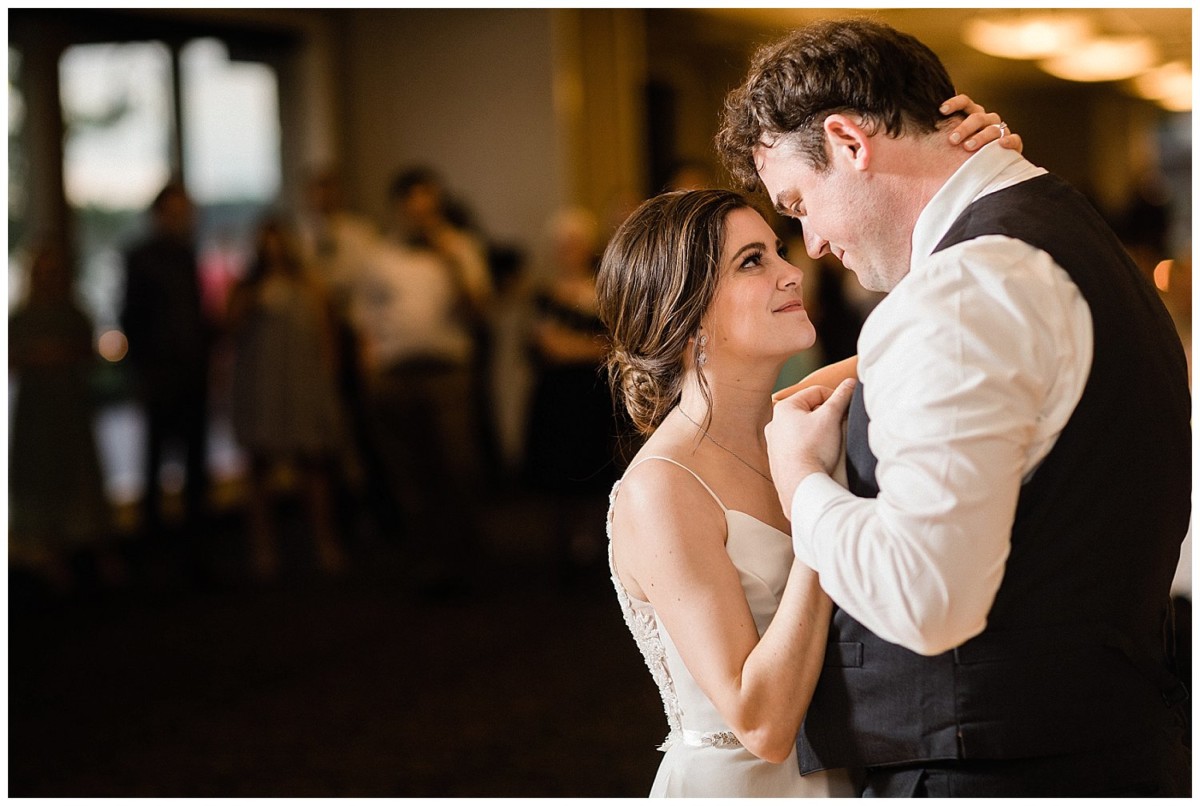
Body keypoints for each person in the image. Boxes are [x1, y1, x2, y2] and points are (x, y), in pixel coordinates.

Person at [718, 18, 1191, 797]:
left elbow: (927, 598)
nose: (815, 245)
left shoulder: (962, 290)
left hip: (994, 772)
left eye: (800, 204)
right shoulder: (1061, 236)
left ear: (848, 140)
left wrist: (803, 483)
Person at [599, 98, 1019, 797]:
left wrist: (979, 175)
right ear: (686, 316)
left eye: (779, 250)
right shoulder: (661, 490)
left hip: (842, 772)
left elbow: (940, 323)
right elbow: (760, 721)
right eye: (753, 262)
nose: (793, 271)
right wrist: (816, 497)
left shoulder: (795, 413)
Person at [227, 218, 348, 579]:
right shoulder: (246, 288)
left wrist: (327, 380)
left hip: (301, 384)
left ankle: (324, 542)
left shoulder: (309, 285)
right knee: (259, 466)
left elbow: (327, 337)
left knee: (312, 464)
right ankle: (263, 548)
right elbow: (228, 330)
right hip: (261, 385)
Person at [9, 242, 117, 593]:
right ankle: (53, 557)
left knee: (78, 474)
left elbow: (89, 353)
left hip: (70, 410)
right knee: (43, 478)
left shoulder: (74, 314)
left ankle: (93, 554)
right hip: (37, 413)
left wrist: (55, 354)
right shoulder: (21, 318)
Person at [523, 208, 617, 584]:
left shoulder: (605, 290)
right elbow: (544, 347)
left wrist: (573, 347)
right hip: (556, 397)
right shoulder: (543, 294)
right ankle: (562, 555)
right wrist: (589, 347)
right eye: (562, 245)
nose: (568, 250)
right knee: (557, 477)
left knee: (595, 475)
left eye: (575, 243)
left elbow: (616, 346)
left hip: (593, 396)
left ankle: (598, 551)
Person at [120, 181, 213, 550]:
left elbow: (193, 316)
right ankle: (156, 549)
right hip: (162, 376)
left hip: (189, 374)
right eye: (176, 212)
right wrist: (144, 372)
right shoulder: (143, 257)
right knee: (157, 462)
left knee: (193, 464)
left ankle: (193, 549)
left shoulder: (186, 255)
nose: (182, 219)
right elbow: (132, 319)